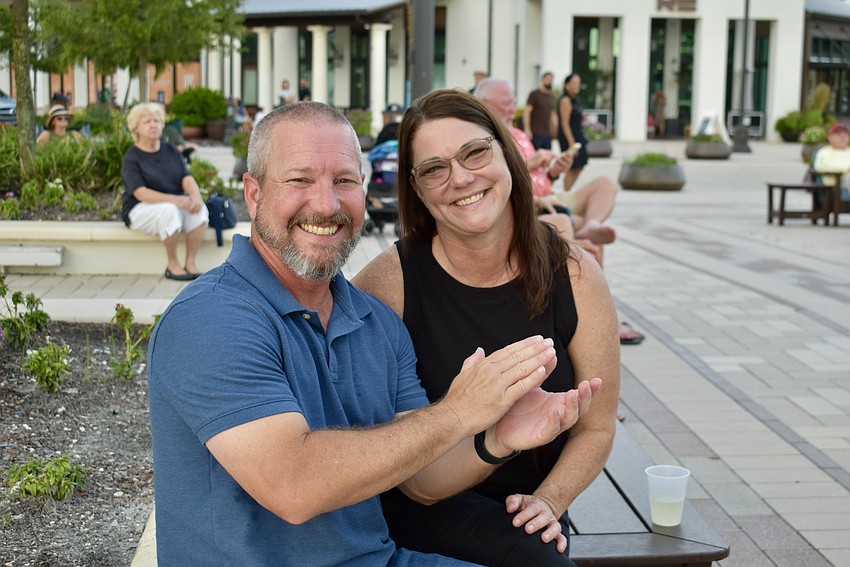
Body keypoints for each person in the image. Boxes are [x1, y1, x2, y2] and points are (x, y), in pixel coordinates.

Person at [147, 100, 601, 566]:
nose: (326, 204)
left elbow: (421, 475)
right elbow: (293, 486)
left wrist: (497, 437)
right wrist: (459, 412)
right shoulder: (209, 319)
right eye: (300, 180)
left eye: (344, 180)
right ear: (254, 192)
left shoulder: (375, 322)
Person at [352, 89, 620, 566]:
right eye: (434, 168)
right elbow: (375, 436)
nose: (460, 178)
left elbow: (596, 427)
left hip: (528, 508)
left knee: (537, 547)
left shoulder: (575, 275)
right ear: (417, 189)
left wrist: (550, 501)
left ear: (507, 152)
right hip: (420, 501)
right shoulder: (388, 284)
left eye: (474, 152)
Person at [476, 78, 617, 254]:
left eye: (513, 102)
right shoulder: (484, 138)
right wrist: (531, 164)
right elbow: (489, 181)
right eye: (507, 103)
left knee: (605, 184)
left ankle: (591, 224)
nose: (513, 109)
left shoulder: (518, 134)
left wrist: (554, 171)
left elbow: (538, 174)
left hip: (550, 197)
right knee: (577, 235)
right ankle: (580, 263)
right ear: (484, 104)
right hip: (529, 205)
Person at [121, 102, 208, 281]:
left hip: (171, 204)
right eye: (147, 122)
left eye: (157, 120)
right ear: (136, 128)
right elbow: (140, 193)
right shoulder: (132, 157)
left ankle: (190, 263)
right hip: (140, 208)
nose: (153, 125)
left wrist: (195, 197)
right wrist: (177, 201)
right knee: (169, 211)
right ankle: (173, 264)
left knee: (200, 210)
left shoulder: (171, 151)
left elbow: (186, 178)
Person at [557, 73, 589, 191]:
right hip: (570, 138)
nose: (577, 86)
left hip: (577, 136)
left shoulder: (574, 100)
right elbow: (564, 123)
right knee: (572, 166)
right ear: (567, 85)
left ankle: (567, 191)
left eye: (578, 83)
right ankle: (566, 193)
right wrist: (571, 143)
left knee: (580, 165)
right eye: (574, 83)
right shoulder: (565, 100)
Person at [814, 122, 850, 206]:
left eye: (845, 134)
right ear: (830, 137)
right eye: (839, 135)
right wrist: (846, 169)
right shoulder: (824, 152)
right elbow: (821, 166)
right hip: (836, 184)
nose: (843, 137)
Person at [523, 71, 555, 150]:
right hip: (535, 133)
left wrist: (555, 130)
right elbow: (527, 112)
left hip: (547, 134)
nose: (550, 81)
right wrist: (527, 129)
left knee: (547, 159)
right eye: (548, 79)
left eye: (551, 79)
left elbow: (552, 115)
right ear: (542, 80)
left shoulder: (551, 97)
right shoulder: (534, 94)